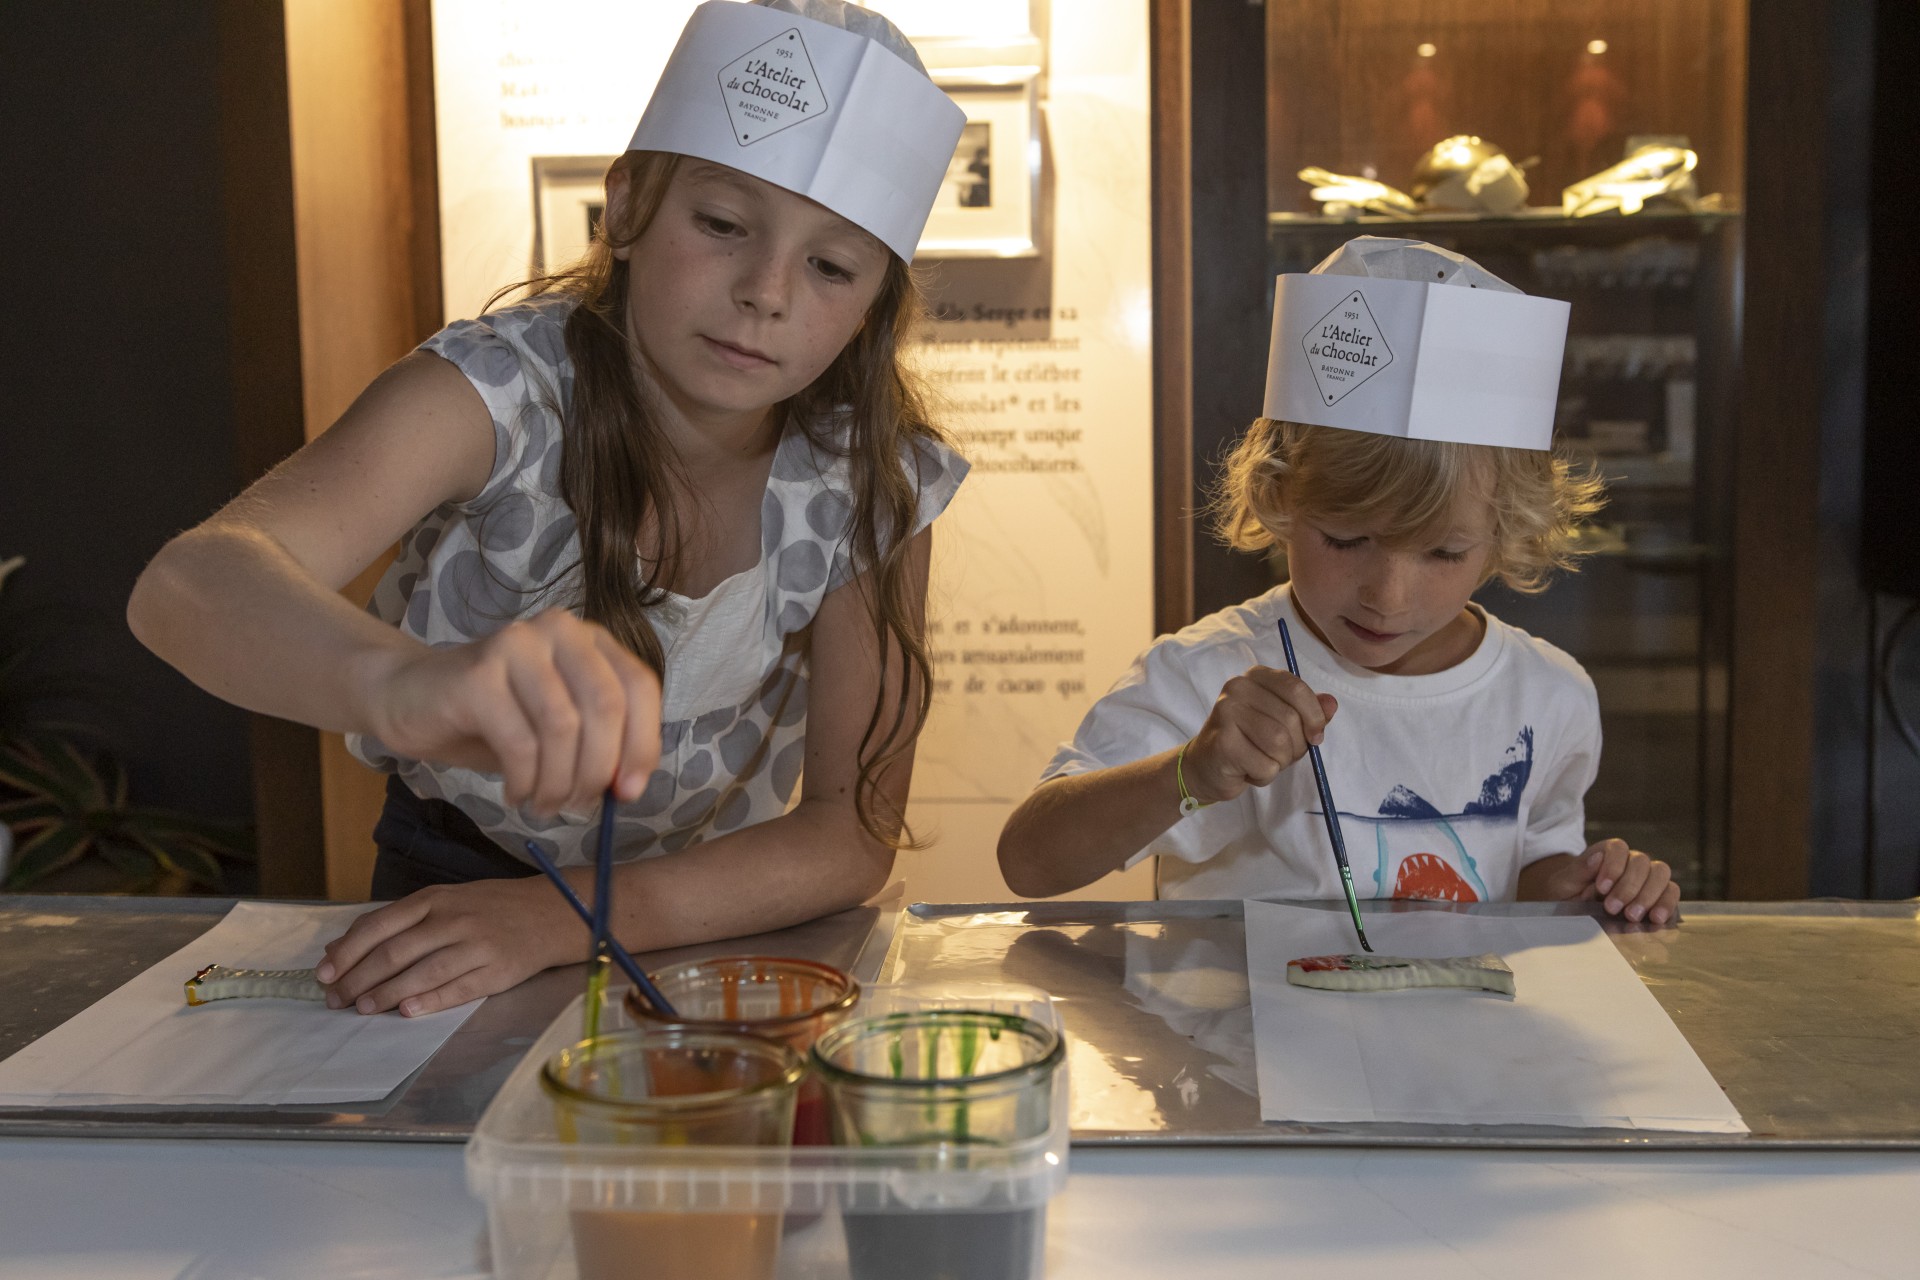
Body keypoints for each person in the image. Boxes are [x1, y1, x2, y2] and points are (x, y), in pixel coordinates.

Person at [127, 0, 968, 1016]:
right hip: (453, 886)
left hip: (708, 908)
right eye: (722, 224)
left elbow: (850, 830)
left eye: (830, 265)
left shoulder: (869, 480)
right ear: (625, 207)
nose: (766, 291)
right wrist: (406, 683)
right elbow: (187, 585)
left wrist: (553, 920)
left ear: (876, 300)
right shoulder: (498, 392)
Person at [998, 237, 1681, 926]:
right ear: (1279, 496)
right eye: (1347, 540)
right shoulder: (1211, 677)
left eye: (1442, 553)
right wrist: (1190, 773)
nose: (1387, 595)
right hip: (1243, 1033)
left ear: (1507, 534)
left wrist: (1589, 888)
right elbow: (1029, 859)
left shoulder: (1549, 696)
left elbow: (1530, 868)